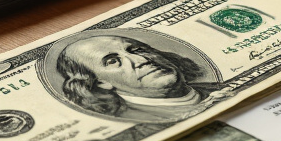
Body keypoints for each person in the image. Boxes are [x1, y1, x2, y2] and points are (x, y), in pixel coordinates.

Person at [56, 34, 220, 122]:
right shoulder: (134, 120)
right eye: (113, 61)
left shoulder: (224, 88)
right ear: (100, 82)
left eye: (137, 50)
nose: (142, 61)